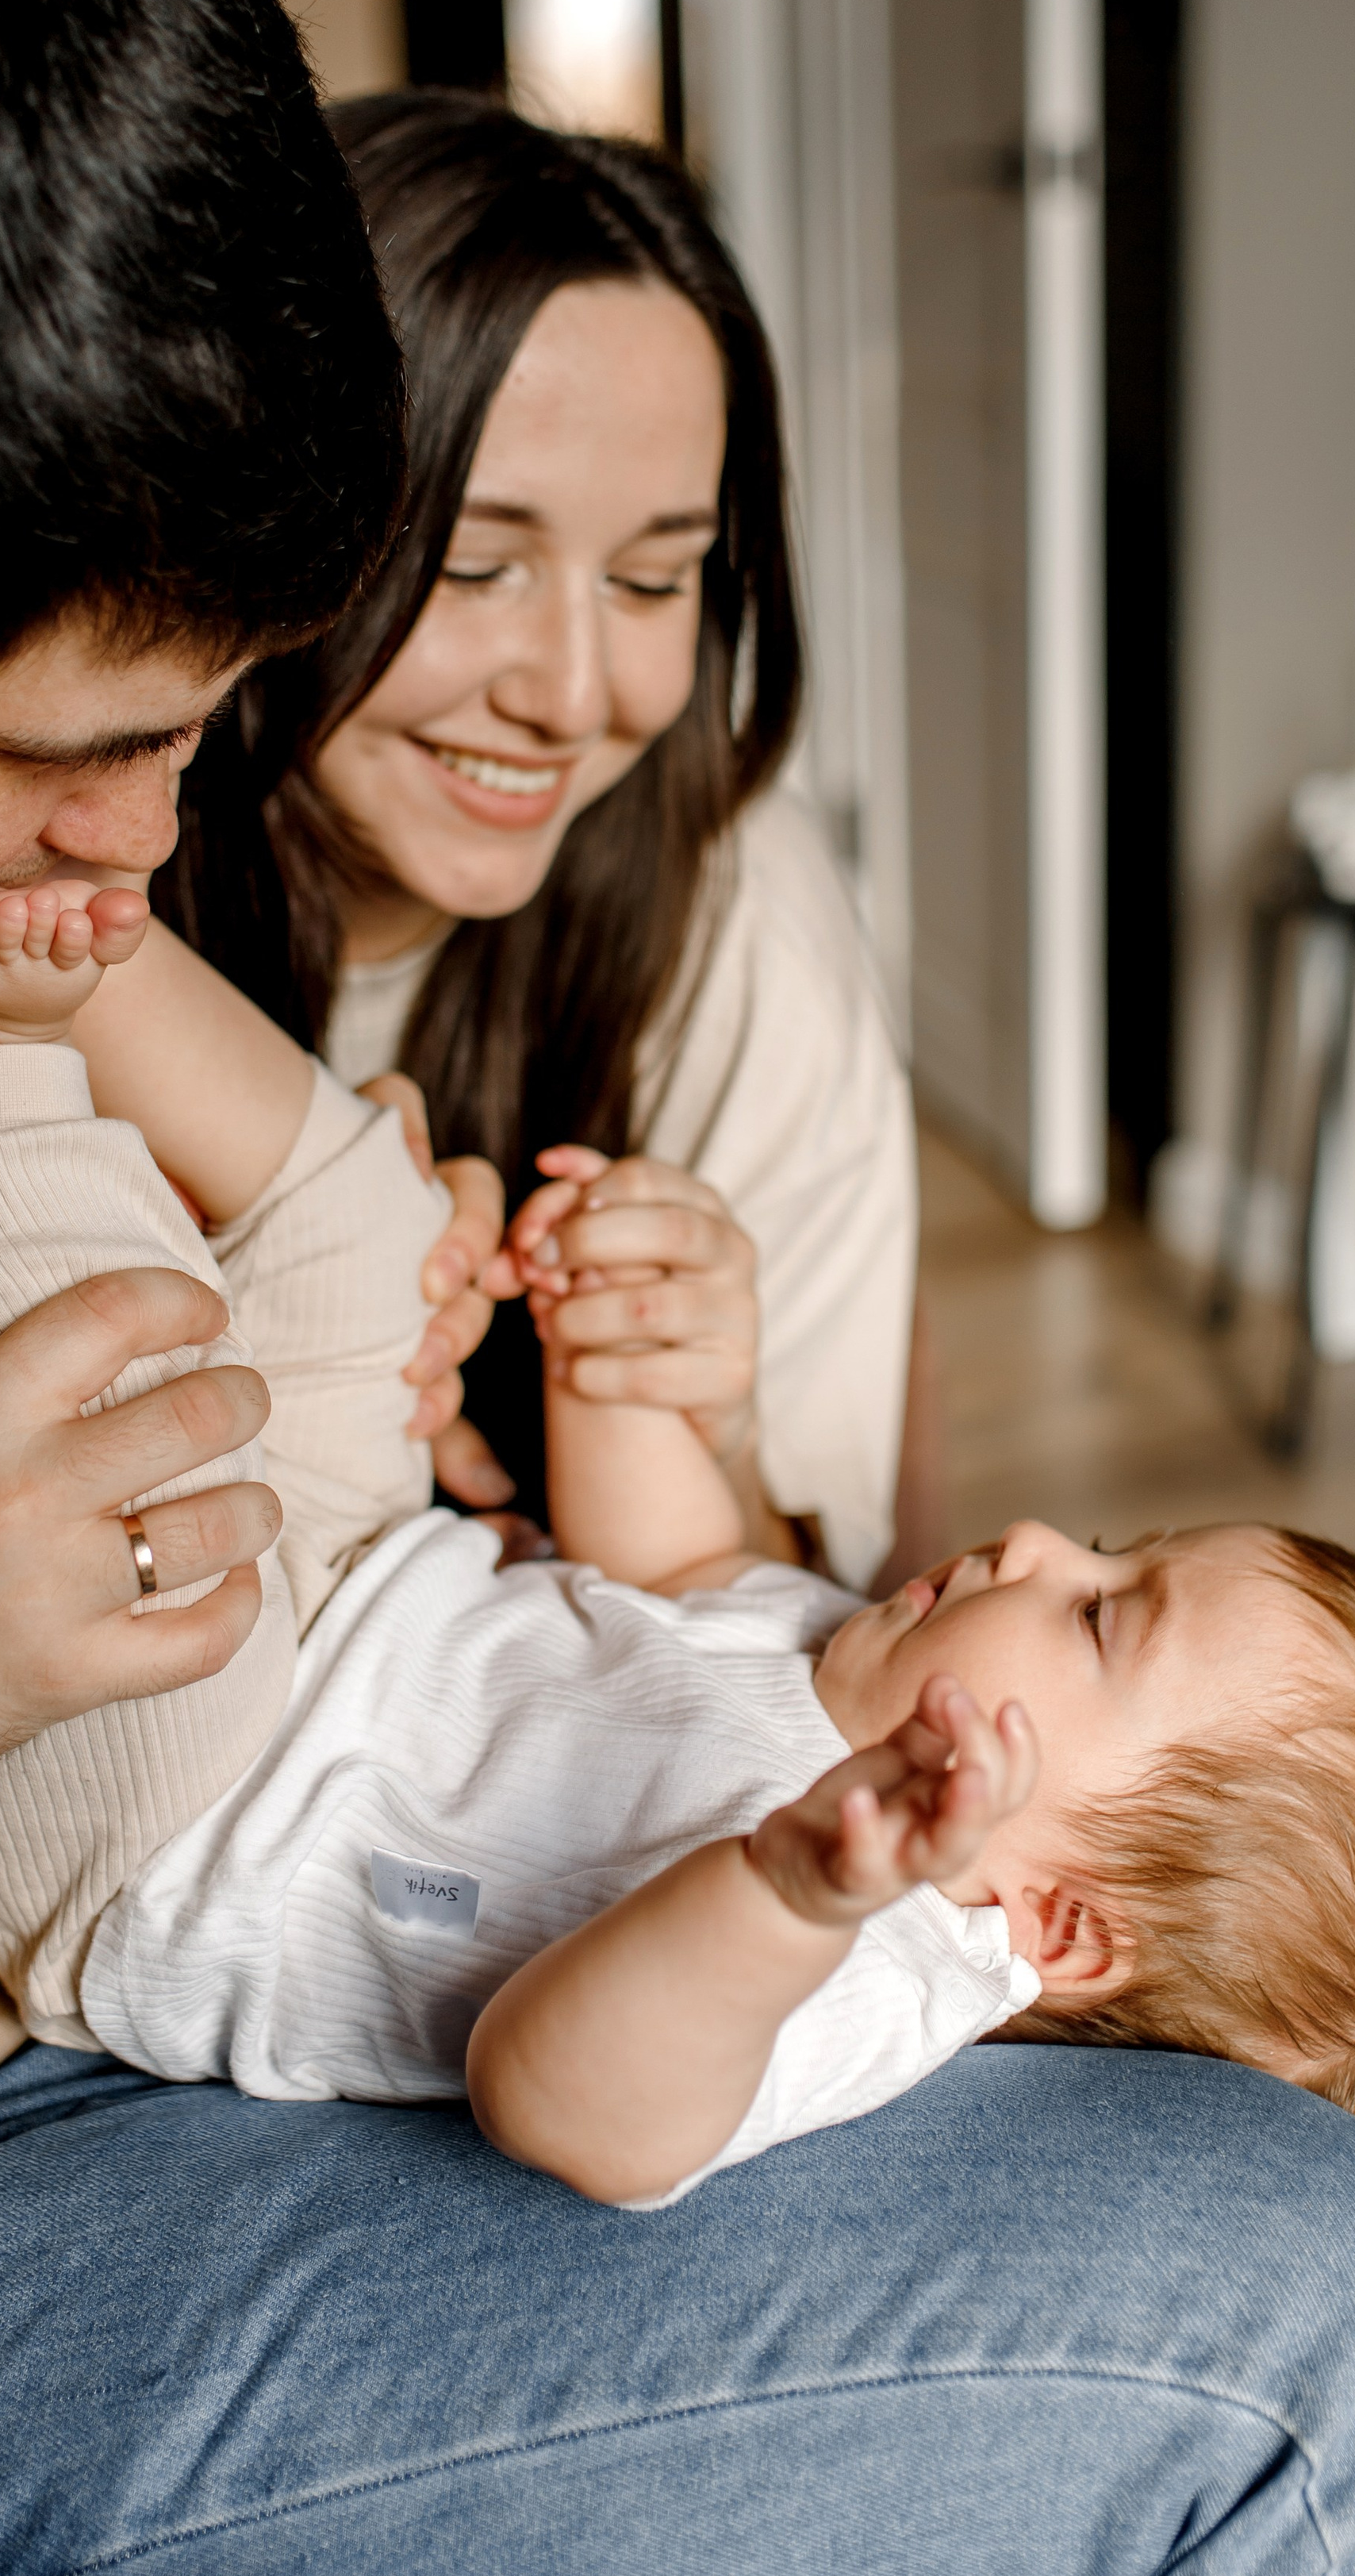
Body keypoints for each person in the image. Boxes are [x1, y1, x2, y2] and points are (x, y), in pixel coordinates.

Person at [0, 0, 1355, 2576]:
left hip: (275, 1900)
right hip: (12, 2096)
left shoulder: (583, 892)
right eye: (55, 749)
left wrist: (677, 1424)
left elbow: (741, 1596)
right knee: (1303, 2321)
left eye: (668, 574)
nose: (126, 833)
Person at [0, 868, 1355, 2221]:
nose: (1036, 1537)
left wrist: (786, 1891)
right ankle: (70, 921)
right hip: (345, 1581)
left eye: (1100, 1615)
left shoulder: (874, 1966)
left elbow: (560, 2098)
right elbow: (665, 1566)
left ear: (1056, 1926)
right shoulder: (854, 1656)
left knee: (115, 1445)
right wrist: (614, 1336)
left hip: (160, 1838)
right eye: (1107, 1544)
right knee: (363, 1216)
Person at [158, 91, 928, 1591]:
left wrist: (697, 1428)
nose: (571, 698)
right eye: (476, 565)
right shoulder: (46, 871)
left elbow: (802, 1651)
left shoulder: (737, 917)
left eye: (653, 586)